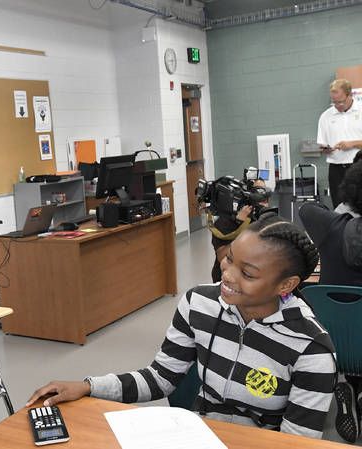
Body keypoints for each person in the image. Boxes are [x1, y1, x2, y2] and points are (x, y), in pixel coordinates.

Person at [28, 214, 336, 439]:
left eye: (248, 273)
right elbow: (160, 378)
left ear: (287, 284)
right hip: (197, 436)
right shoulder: (199, 303)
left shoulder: (310, 349)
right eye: (229, 260)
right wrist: (88, 386)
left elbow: (296, 443)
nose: (227, 275)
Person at [299, 160, 362, 443]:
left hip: (333, 345)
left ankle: (351, 388)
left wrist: (342, 209)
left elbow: (306, 208)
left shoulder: (329, 226)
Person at [210, 178, 268, 282]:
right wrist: (240, 224)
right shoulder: (225, 221)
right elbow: (222, 257)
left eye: (264, 199)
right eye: (257, 193)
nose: (262, 202)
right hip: (227, 278)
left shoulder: (264, 218)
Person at [316, 79, 362, 208]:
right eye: (334, 102)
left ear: (350, 95)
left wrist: (352, 144)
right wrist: (326, 149)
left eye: (340, 101)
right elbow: (322, 144)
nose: (337, 105)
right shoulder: (325, 116)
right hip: (336, 168)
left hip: (358, 164)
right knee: (339, 205)